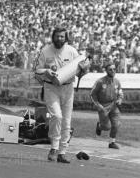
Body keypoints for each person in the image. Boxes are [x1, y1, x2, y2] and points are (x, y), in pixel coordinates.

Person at [34, 27, 89, 163]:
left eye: (62, 37)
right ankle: (53, 148)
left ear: (66, 38)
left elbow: (81, 70)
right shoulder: (45, 51)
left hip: (68, 87)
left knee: (66, 121)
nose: (59, 39)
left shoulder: (71, 51)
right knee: (56, 116)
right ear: (53, 37)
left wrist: (84, 68)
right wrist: (46, 71)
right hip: (51, 87)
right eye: (57, 36)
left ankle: (62, 152)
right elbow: (37, 71)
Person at [90, 61, 124, 149]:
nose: (113, 71)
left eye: (114, 69)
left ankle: (112, 142)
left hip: (114, 105)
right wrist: (98, 105)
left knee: (116, 124)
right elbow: (92, 94)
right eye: (110, 69)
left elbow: (120, 93)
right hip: (103, 107)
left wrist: (120, 99)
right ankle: (100, 126)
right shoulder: (100, 82)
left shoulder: (117, 82)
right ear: (106, 70)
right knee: (106, 127)